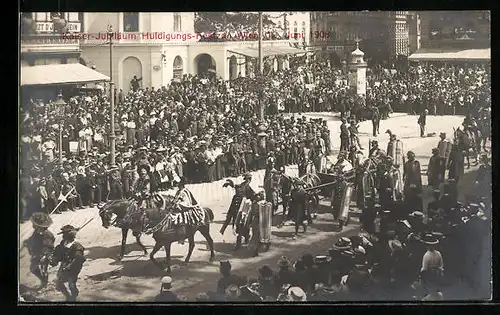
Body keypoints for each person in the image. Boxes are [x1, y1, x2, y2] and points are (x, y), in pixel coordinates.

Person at [50, 225, 86, 301]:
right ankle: (68, 296)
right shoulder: (63, 243)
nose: (63, 236)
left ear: (70, 235)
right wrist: (54, 259)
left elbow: (79, 258)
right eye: (63, 234)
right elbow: (59, 253)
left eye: (65, 234)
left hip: (74, 266)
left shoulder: (76, 246)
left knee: (71, 283)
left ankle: (74, 297)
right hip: (64, 264)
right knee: (59, 283)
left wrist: (70, 266)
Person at [24, 212, 55, 289]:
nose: (33, 225)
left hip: (44, 255)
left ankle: (44, 284)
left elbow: (48, 246)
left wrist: (45, 255)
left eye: (34, 224)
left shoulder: (47, 235)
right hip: (36, 253)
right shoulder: (36, 232)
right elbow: (33, 240)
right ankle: (43, 280)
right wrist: (28, 242)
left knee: (44, 270)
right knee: (33, 269)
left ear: (39, 226)